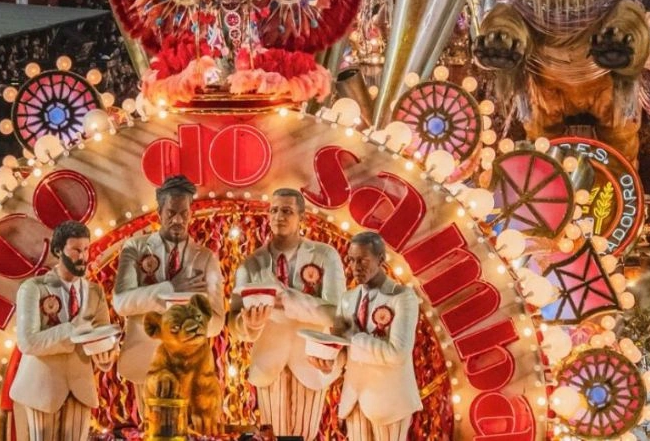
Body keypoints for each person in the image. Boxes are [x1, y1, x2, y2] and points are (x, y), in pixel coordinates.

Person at [228, 188, 344, 440]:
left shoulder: (325, 256)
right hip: (269, 364)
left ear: (301, 217)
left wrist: (287, 298)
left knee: (305, 436)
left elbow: (336, 314)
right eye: (274, 210)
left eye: (287, 211)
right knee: (272, 436)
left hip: (311, 364)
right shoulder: (251, 263)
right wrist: (249, 325)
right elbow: (233, 323)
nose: (279, 216)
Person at [112, 175, 225, 417]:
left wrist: (192, 322)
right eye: (171, 212)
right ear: (159, 212)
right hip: (145, 364)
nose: (178, 219)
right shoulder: (135, 248)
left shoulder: (205, 258)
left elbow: (217, 321)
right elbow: (121, 303)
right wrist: (171, 288)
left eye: (184, 213)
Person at [9, 221, 114, 441]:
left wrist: (106, 356)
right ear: (58, 251)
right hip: (42, 389)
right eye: (76, 250)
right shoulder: (33, 288)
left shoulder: (95, 292)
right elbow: (28, 342)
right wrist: (73, 330)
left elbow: (104, 335)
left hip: (80, 388)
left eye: (86, 249)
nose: (83, 256)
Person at [317, 231, 421, 441]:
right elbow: (343, 351)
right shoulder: (347, 298)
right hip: (354, 400)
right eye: (352, 260)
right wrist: (330, 364)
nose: (356, 267)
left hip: (391, 403)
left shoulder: (402, 297)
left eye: (363, 260)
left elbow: (397, 353)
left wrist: (355, 337)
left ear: (381, 259)